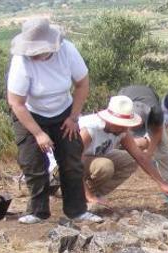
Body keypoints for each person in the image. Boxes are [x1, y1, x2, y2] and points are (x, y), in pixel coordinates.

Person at [6, 18, 101, 224]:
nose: (36, 54)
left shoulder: (68, 51)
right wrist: (38, 133)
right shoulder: (21, 61)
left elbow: (82, 84)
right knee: (33, 163)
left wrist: (74, 117)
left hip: (64, 112)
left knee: (71, 161)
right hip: (30, 114)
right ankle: (37, 211)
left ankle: (77, 210)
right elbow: (16, 102)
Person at [78, 95, 168, 209]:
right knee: (105, 166)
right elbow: (73, 162)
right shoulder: (90, 129)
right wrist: (88, 195)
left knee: (129, 160)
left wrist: (162, 184)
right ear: (111, 121)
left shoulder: (121, 130)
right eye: (122, 124)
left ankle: (91, 195)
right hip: (66, 167)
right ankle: (83, 194)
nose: (125, 128)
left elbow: (140, 157)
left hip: (93, 158)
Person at [117, 85, 168, 189]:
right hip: (125, 99)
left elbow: (158, 133)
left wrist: (149, 153)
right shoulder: (120, 106)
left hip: (150, 104)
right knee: (116, 140)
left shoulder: (156, 113)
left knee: (163, 150)